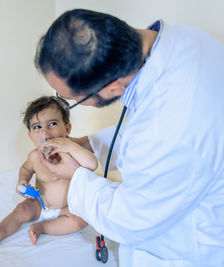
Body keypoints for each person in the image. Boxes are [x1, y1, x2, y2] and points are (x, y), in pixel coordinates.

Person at [34, 9, 224, 267]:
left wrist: (76, 176)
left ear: (113, 88)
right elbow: (145, 126)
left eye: (70, 100)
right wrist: (89, 145)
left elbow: (130, 219)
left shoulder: (168, 125)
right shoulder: (187, 40)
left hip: (188, 247)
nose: (67, 103)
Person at [0, 96, 97, 246]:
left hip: (68, 207)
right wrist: (23, 181)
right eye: (37, 127)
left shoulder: (73, 152)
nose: (45, 132)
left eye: (52, 124)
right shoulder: (34, 156)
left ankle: (43, 227)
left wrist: (70, 147)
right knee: (22, 209)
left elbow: (92, 164)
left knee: (79, 221)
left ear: (67, 129)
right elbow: (26, 169)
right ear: (30, 136)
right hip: (40, 203)